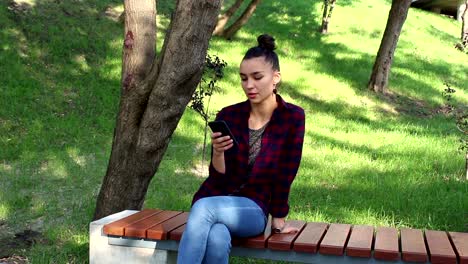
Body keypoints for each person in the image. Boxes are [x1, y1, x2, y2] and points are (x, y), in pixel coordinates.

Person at [177, 34, 305, 264]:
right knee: (216, 238)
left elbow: (287, 171)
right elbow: (217, 178)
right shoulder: (229, 115)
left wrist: (279, 217)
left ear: (275, 77)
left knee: (203, 208)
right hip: (217, 198)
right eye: (244, 78)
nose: (249, 85)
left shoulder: (292, 117)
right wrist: (217, 152)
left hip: (253, 207)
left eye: (257, 77)